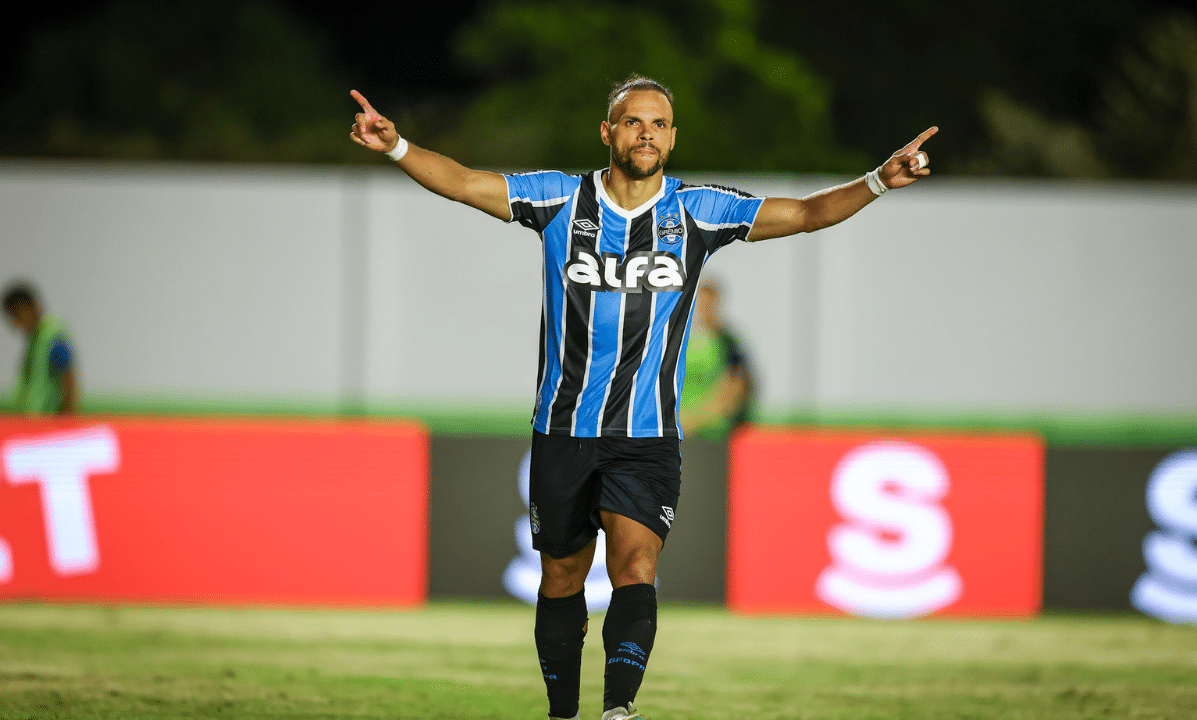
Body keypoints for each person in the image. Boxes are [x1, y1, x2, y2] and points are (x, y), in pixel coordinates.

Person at [349, 75, 935, 720]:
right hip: (565, 428)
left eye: (658, 124)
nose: (646, 133)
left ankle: (618, 710)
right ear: (608, 132)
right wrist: (398, 145)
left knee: (636, 568)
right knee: (562, 579)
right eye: (632, 122)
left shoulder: (698, 210)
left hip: (647, 435)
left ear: (673, 137)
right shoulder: (558, 199)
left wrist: (879, 180)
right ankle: (562, 712)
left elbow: (803, 214)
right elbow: (464, 182)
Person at [679, 280, 754, 439]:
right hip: (679, 428)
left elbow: (735, 388)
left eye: (708, 303)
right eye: (699, 303)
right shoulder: (679, 340)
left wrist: (693, 421)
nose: (703, 309)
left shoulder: (728, 343)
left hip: (713, 432)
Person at [0, 281, 80, 415]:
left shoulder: (52, 336)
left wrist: (68, 416)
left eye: (17, 315)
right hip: (35, 419)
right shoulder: (35, 339)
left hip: (51, 420)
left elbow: (69, 376)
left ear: (31, 306)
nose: (16, 323)